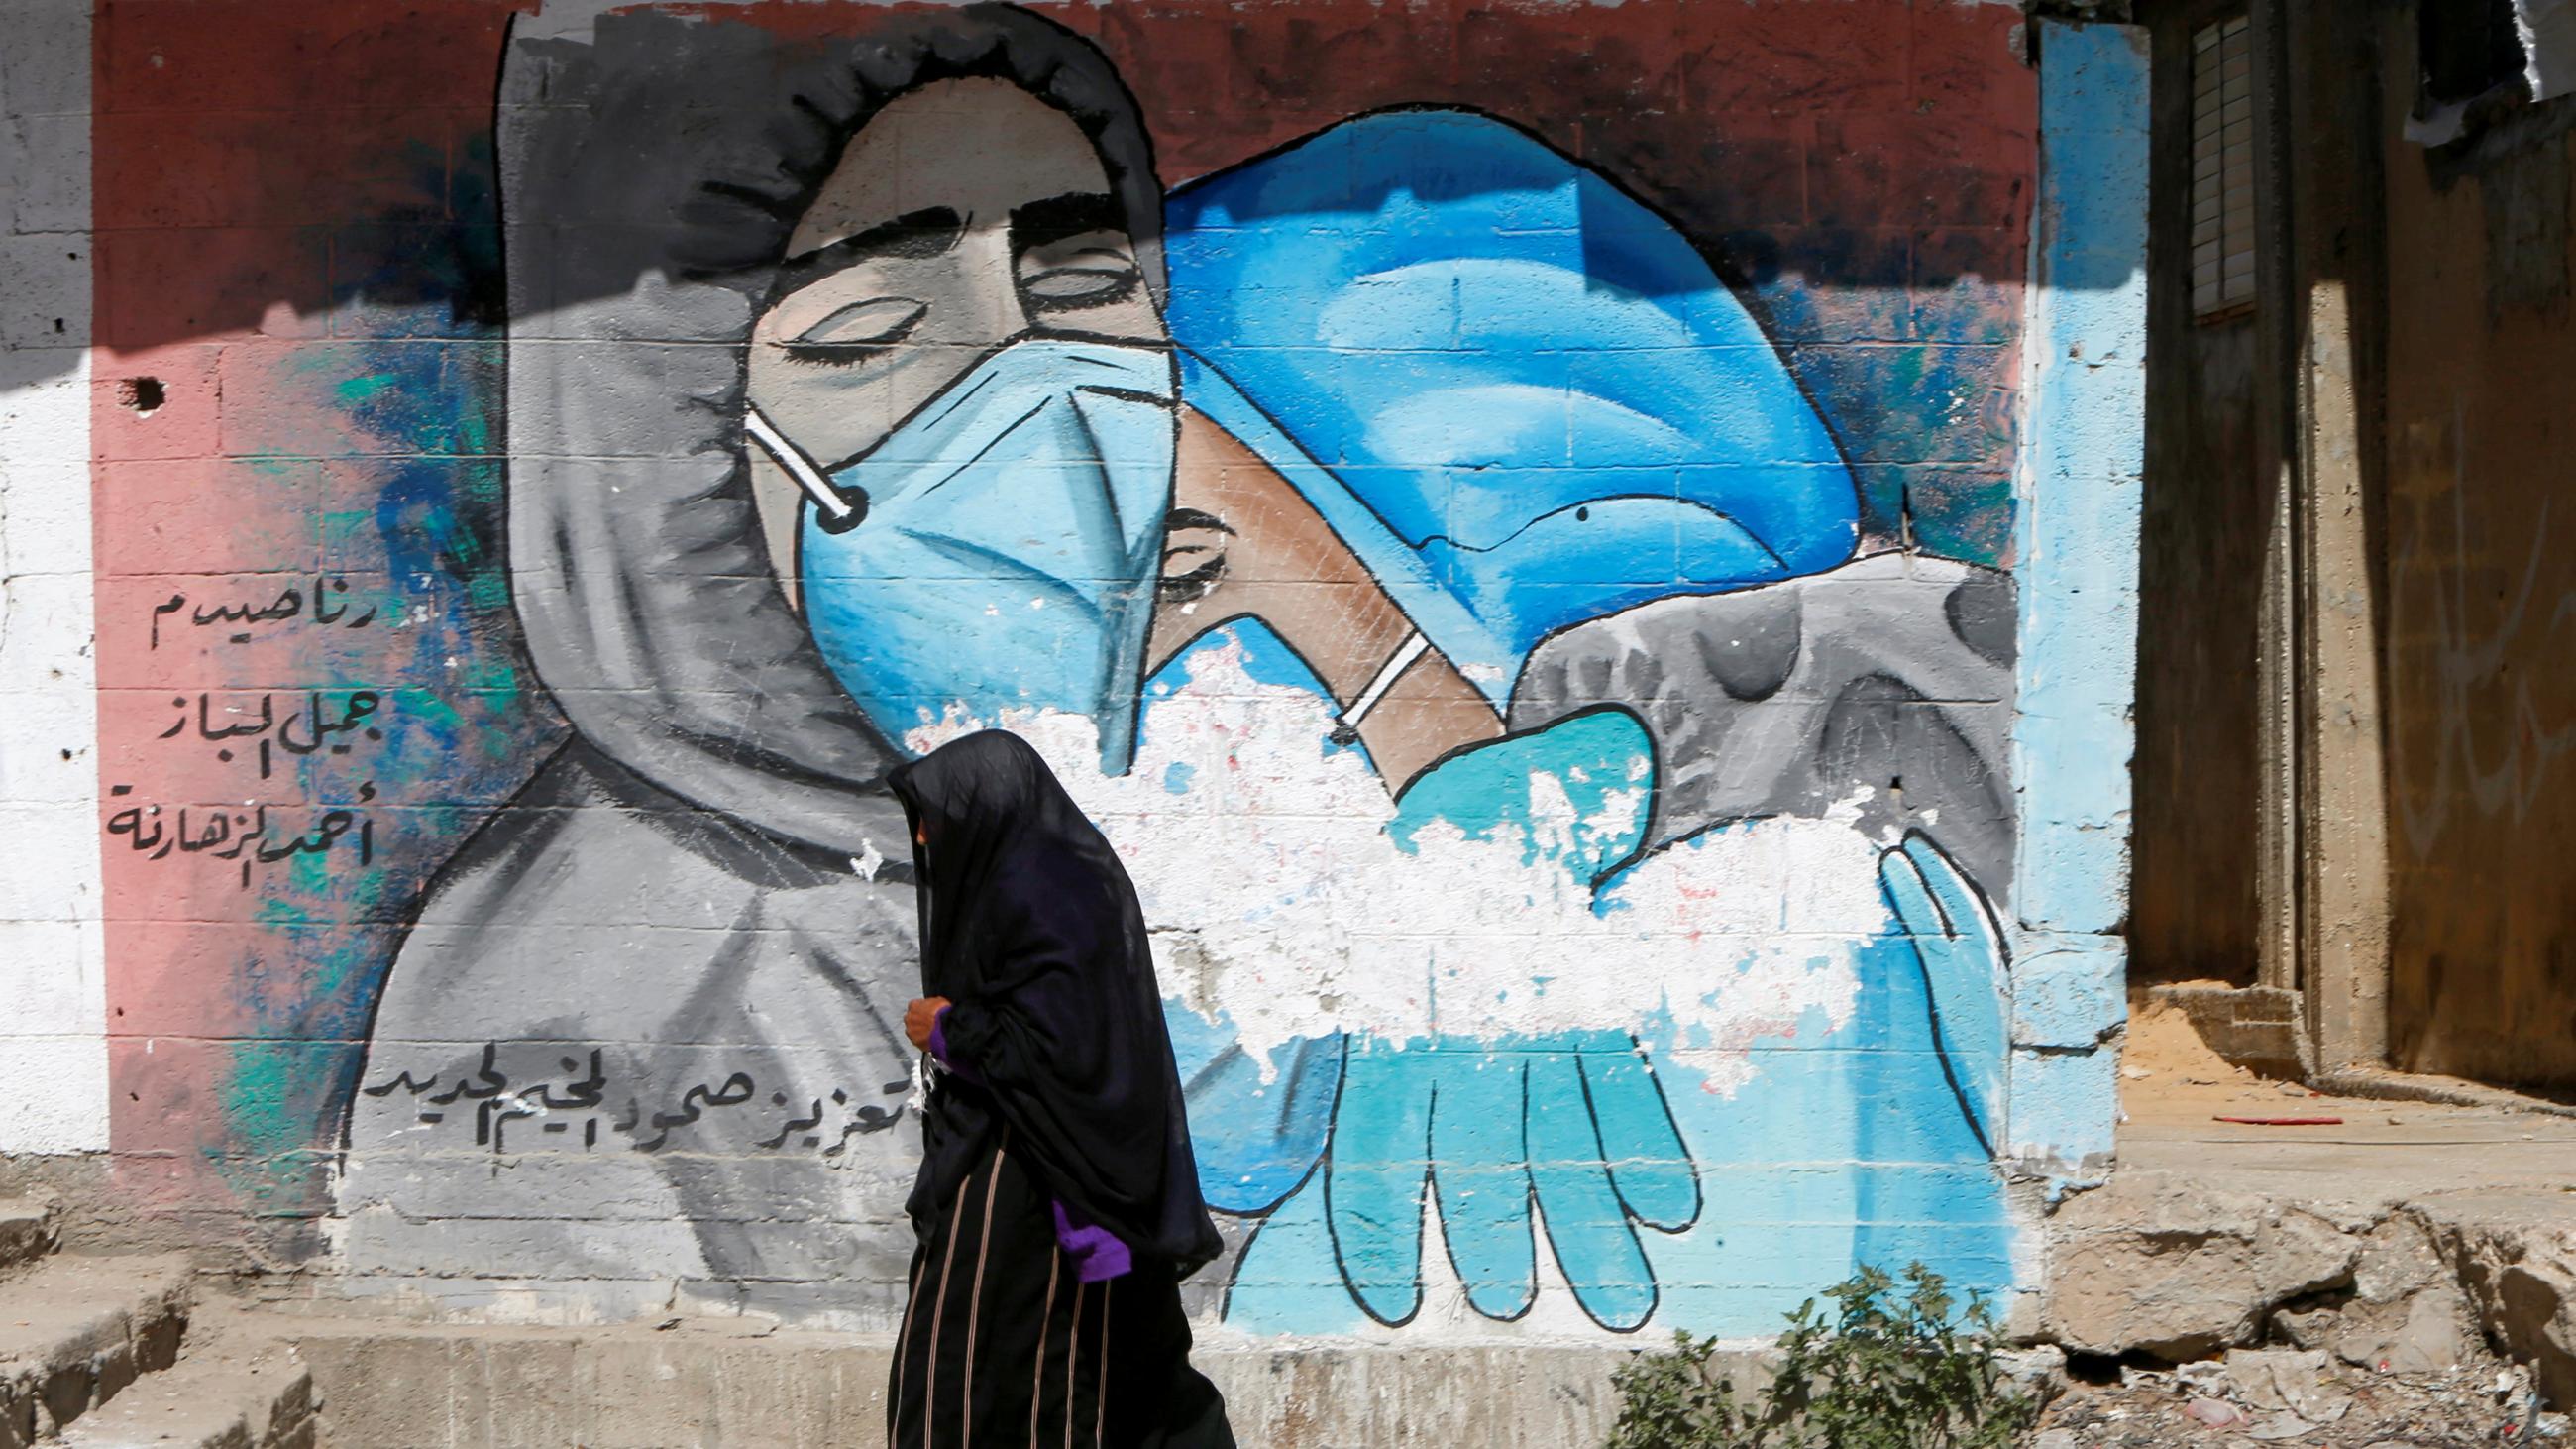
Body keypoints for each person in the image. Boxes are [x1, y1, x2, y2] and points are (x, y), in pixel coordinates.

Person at [886, 730, 1234, 1449]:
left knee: (995, 1367)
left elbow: (1066, 1046)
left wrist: (950, 1029)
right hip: (1029, 1161)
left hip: (1038, 1181)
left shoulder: (1049, 892)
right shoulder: (1040, 880)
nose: (923, 835)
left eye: (936, 815)